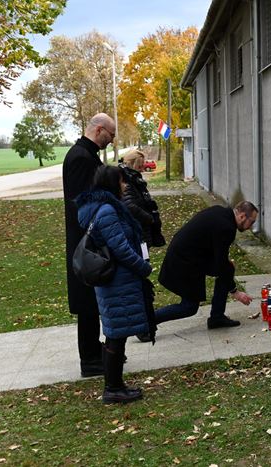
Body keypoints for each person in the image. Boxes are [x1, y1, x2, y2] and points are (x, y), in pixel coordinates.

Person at [76, 165, 154, 404]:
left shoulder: (102, 207)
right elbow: (121, 249)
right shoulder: (108, 210)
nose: (125, 185)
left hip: (115, 280)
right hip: (117, 281)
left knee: (116, 333)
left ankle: (116, 385)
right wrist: (143, 268)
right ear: (112, 183)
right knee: (116, 336)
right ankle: (113, 388)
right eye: (121, 181)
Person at [63, 113, 115, 377]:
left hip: (88, 238)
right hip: (85, 241)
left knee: (92, 302)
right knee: (87, 304)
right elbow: (83, 204)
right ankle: (91, 359)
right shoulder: (81, 158)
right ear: (99, 129)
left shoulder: (85, 154)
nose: (112, 140)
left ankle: (96, 353)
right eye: (111, 135)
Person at [152, 201, 256, 333]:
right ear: (242, 216)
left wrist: (227, 271)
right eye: (251, 222)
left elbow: (220, 260)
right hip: (184, 261)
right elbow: (220, 263)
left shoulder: (221, 212)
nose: (251, 227)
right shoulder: (227, 227)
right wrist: (235, 292)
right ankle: (147, 321)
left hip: (189, 255)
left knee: (228, 268)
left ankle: (217, 317)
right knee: (189, 307)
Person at [118, 150, 165, 248]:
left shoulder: (133, 179)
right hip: (137, 230)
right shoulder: (127, 180)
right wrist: (149, 218)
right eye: (140, 167)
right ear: (133, 164)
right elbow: (129, 205)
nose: (142, 170)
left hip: (141, 229)